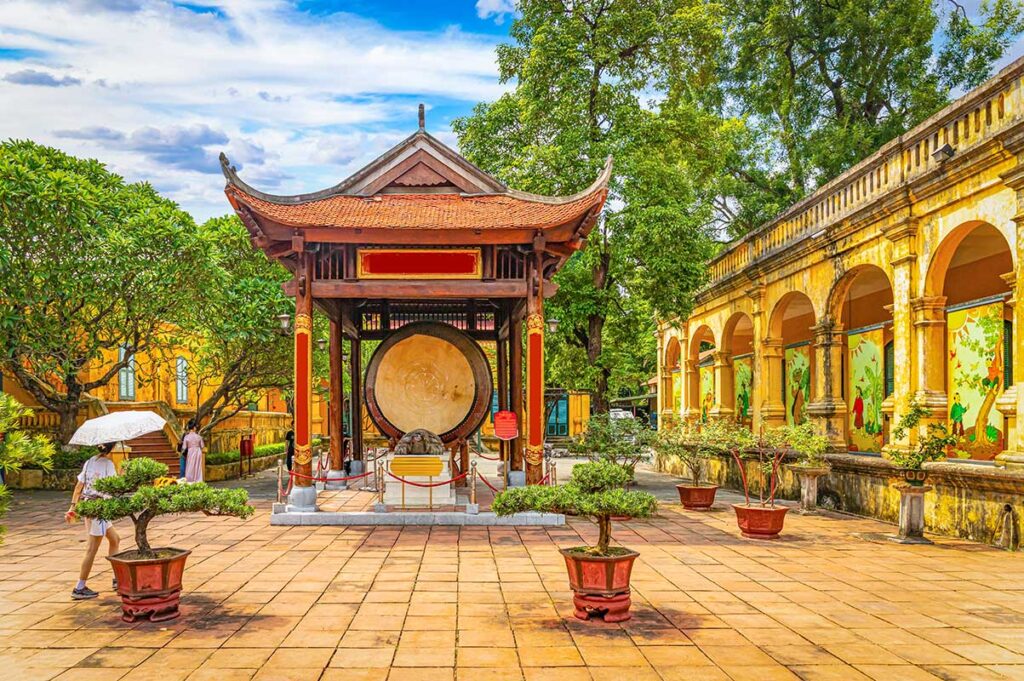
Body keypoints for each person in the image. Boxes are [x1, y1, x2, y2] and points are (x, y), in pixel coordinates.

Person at [66, 442, 120, 600]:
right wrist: (123, 473)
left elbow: (78, 487)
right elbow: (114, 487)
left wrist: (73, 506)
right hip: (99, 508)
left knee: (115, 539)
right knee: (91, 549)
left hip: (88, 506)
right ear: (113, 448)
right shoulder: (108, 464)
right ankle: (79, 587)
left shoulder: (89, 461)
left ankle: (118, 578)